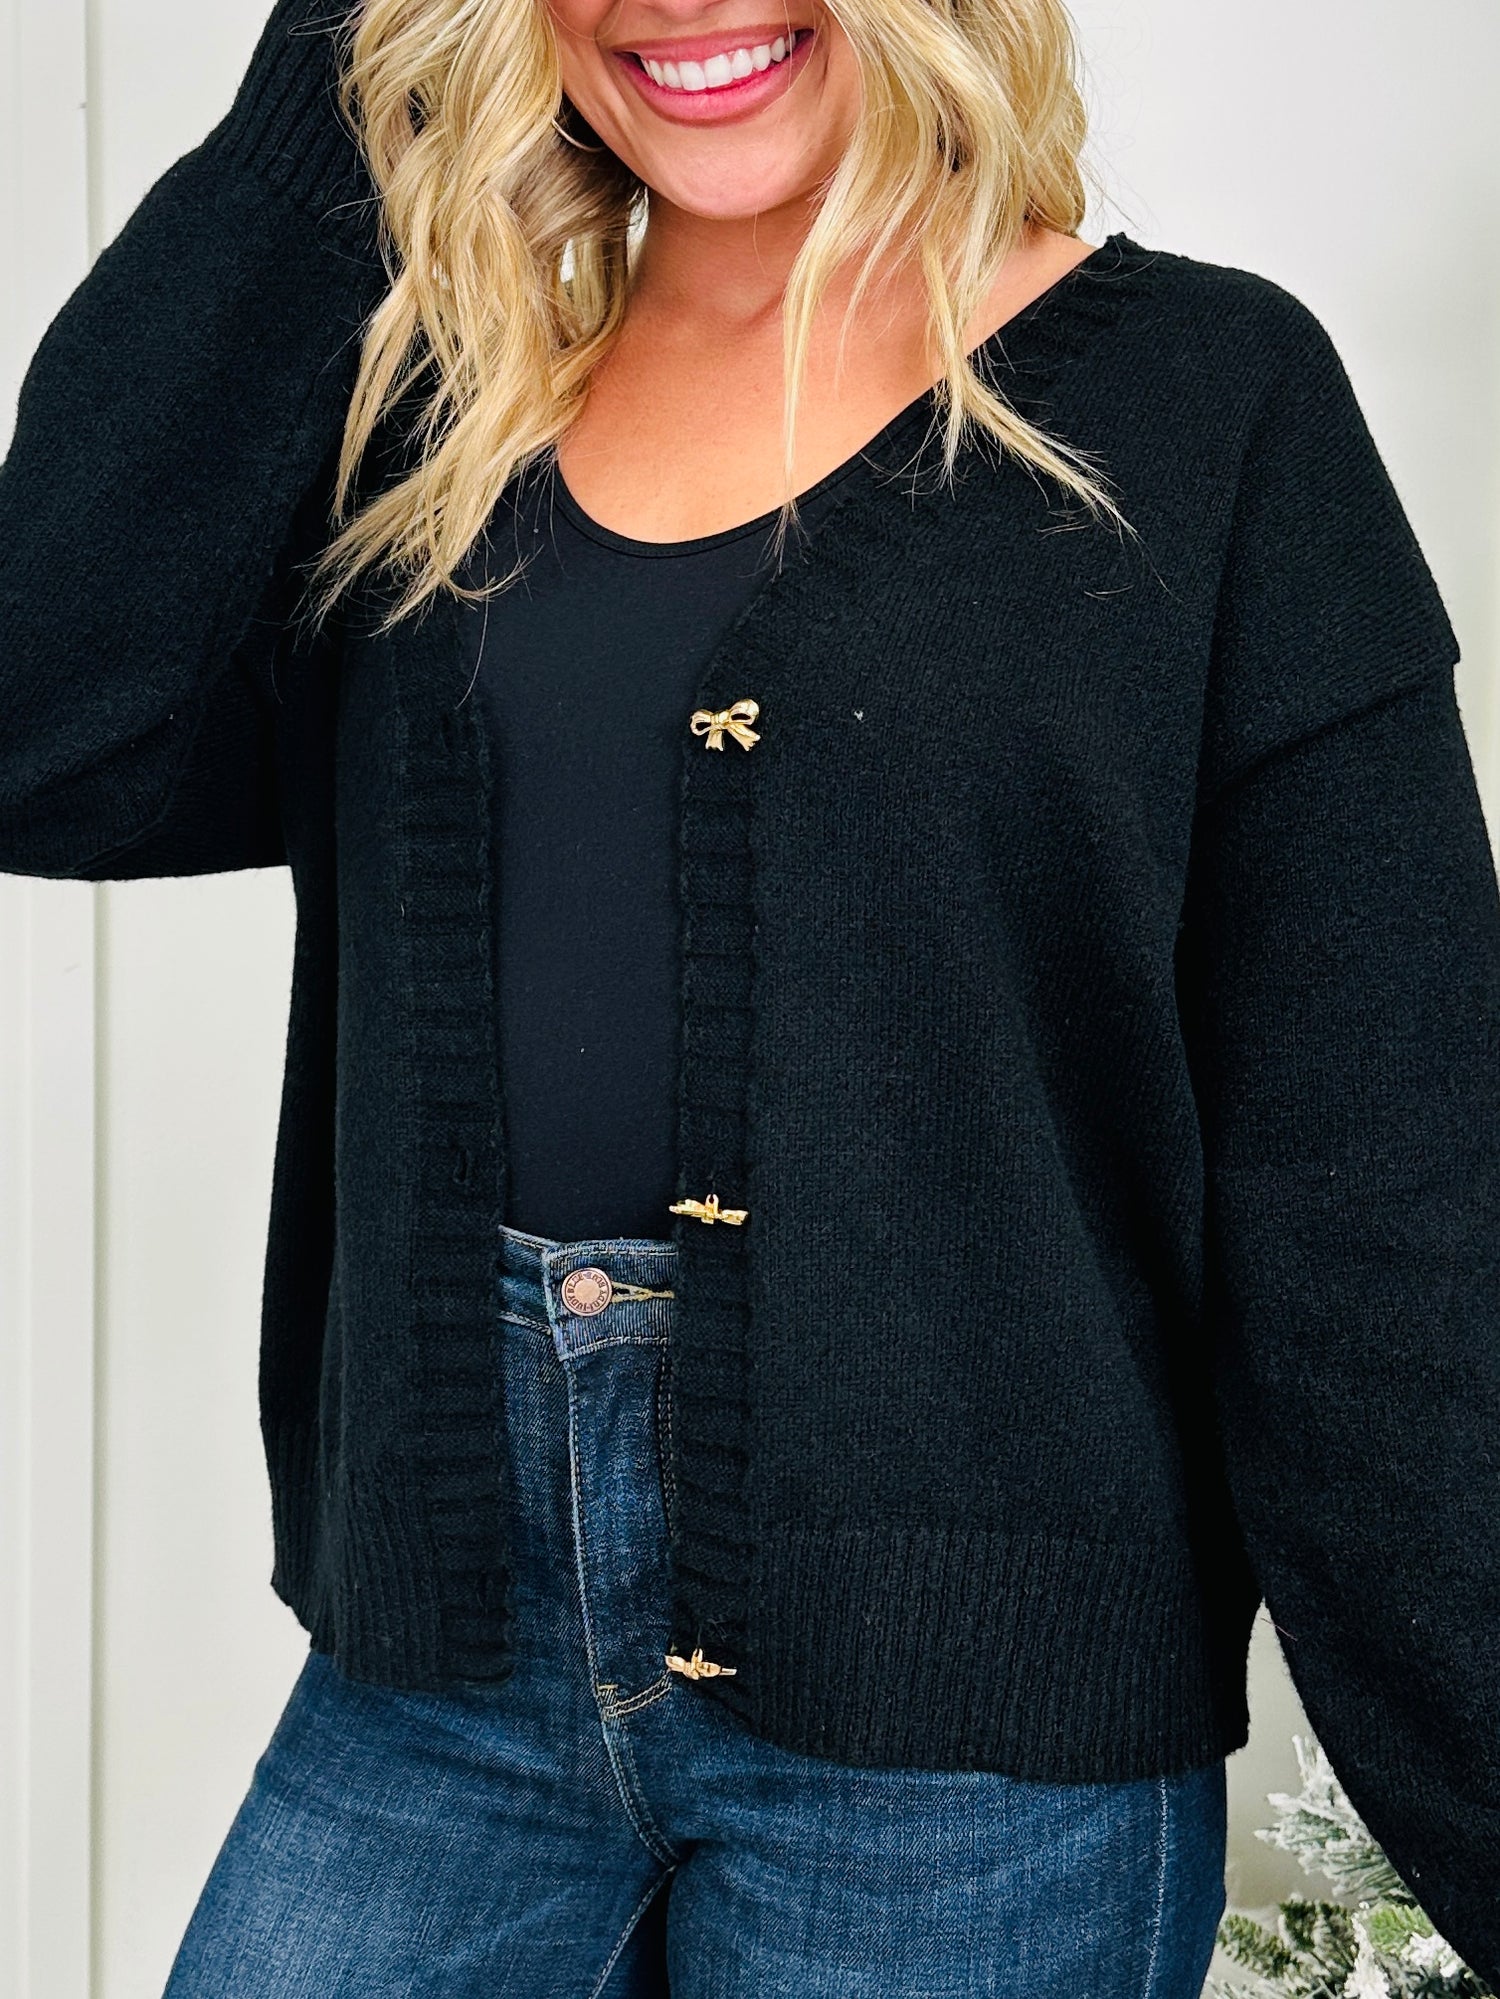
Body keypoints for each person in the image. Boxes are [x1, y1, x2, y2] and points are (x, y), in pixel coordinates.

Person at [2, 0, 1497, 1992]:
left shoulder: (1210, 404)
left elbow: (1384, 1195)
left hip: (965, 1740)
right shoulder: (436, 415)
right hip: (442, 1677)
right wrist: (336, 88)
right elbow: (49, 741)